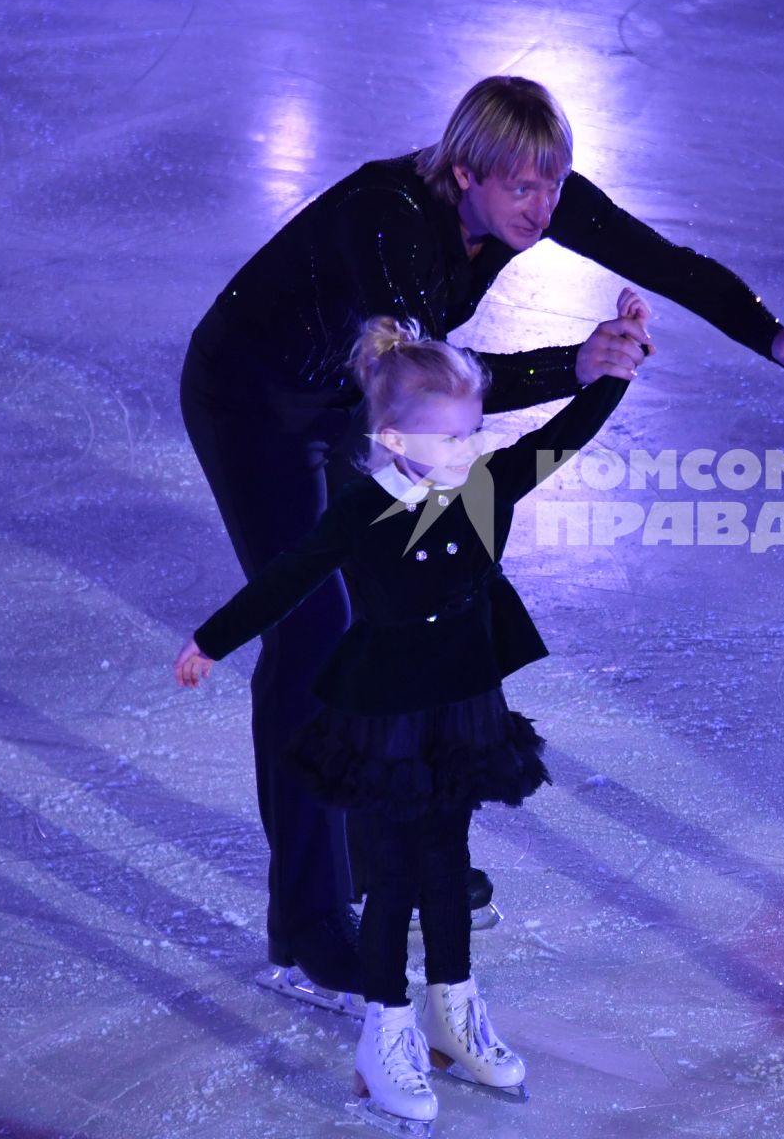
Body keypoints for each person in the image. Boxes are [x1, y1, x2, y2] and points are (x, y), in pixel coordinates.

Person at [178, 74, 784, 1004]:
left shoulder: (532, 198)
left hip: (350, 406)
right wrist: (572, 364)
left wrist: (778, 342)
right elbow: (430, 383)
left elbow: (664, 262)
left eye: (555, 184)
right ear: (464, 176)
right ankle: (308, 919)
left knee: (381, 626)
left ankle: (373, 863)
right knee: (315, 630)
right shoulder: (389, 226)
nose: (543, 206)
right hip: (253, 400)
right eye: (523, 189)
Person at [176, 297, 648, 1128]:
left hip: (463, 705)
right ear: (394, 440)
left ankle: (453, 1015)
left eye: (473, 430)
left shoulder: (482, 487)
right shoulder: (360, 509)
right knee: (393, 878)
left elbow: (559, 441)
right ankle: (385, 1029)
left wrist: (616, 373)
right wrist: (213, 641)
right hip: (386, 716)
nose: (472, 447)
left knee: (446, 864)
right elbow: (290, 577)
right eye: (454, 435)